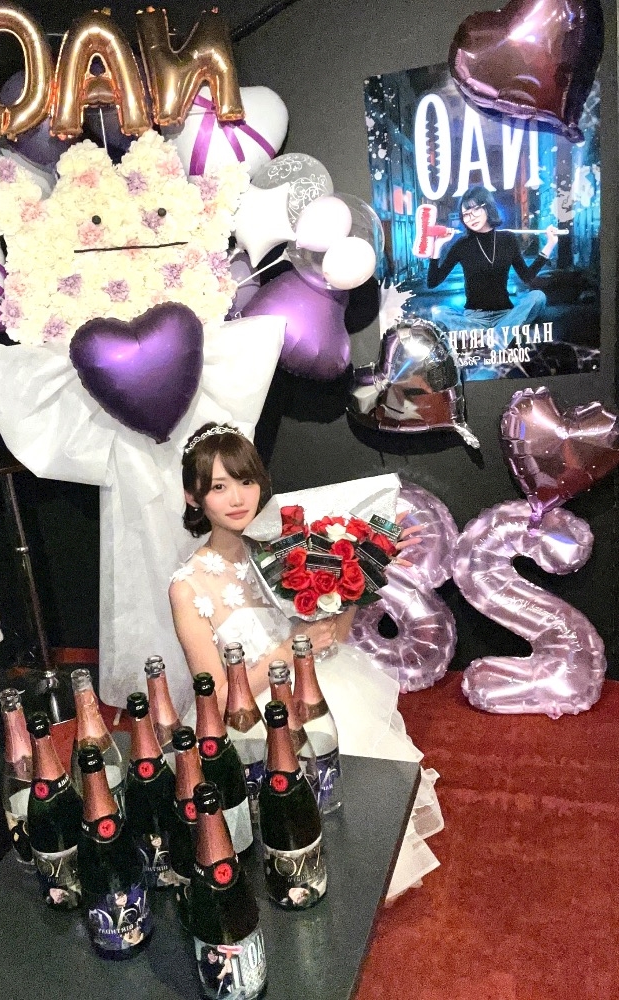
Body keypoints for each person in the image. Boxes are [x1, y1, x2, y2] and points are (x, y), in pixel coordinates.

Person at [169, 423, 443, 899]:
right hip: (252, 719)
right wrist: (290, 649)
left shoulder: (288, 546)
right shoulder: (187, 586)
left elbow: (334, 635)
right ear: (194, 497)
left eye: (246, 481)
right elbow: (216, 692)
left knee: (355, 791)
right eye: (218, 486)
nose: (237, 498)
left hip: (323, 686)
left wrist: (365, 570)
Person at [421, 185, 559, 348]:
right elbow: (433, 282)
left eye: (475, 210)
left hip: (505, 315)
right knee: (438, 312)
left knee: (538, 297)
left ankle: (491, 336)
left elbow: (527, 277)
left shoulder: (508, 239)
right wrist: (438, 246)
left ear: (487, 206)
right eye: (466, 214)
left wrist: (550, 244)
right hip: (474, 319)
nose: (470, 218)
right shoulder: (461, 245)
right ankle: (499, 335)